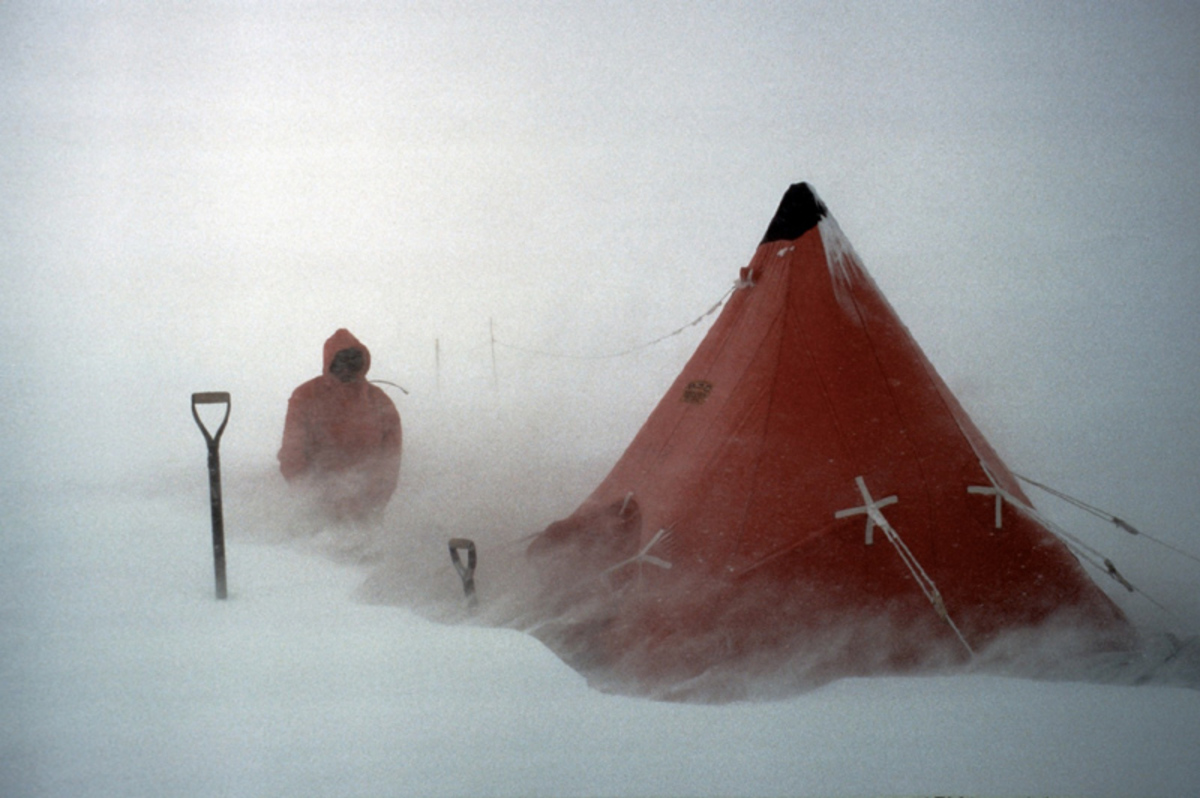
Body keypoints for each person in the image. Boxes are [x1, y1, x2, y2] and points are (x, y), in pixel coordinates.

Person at [278, 329, 402, 523]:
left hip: (366, 514)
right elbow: (292, 454)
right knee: (314, 553)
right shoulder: (306, 396)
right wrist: (311, 499)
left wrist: (374, 503)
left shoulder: (379, 401)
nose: (347, 367)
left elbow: (390, 460)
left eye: (353, 360)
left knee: (365, 551)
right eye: (341, 360)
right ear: (329, 361)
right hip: (315, 512)